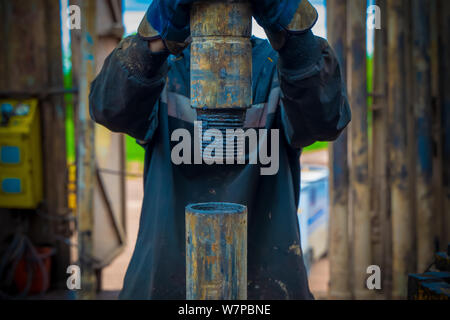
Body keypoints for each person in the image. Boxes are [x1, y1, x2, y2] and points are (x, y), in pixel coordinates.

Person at [89, 0, 351, 300]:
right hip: (165, 283)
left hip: (265, 287)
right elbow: (108, 107)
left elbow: (326, 120)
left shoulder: (279, 67)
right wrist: (157, 34)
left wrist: (295, 37)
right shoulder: (163, 67)